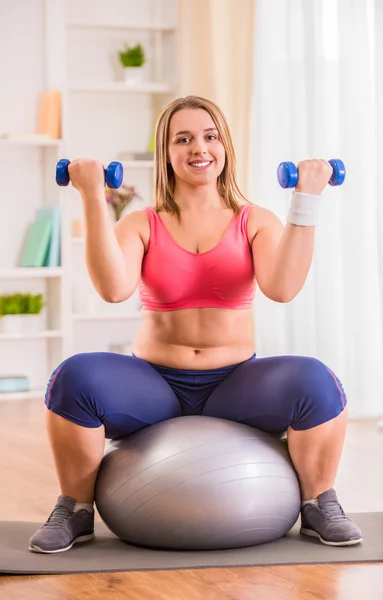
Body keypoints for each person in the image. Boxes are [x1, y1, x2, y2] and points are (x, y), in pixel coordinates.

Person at [29, 95, 362, 554]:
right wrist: (91, 195)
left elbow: (283, 289)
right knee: (74, 376)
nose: (198, 148)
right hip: (153, 385)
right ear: (165, 153)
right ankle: (76, 509)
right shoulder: (141, 223)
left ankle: (318, 502)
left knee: (315, 380)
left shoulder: (254, 220)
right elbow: (112, 289)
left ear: (225, 146)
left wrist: (305, 198)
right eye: (182, 138)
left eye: (210, 136)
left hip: (235, 383)